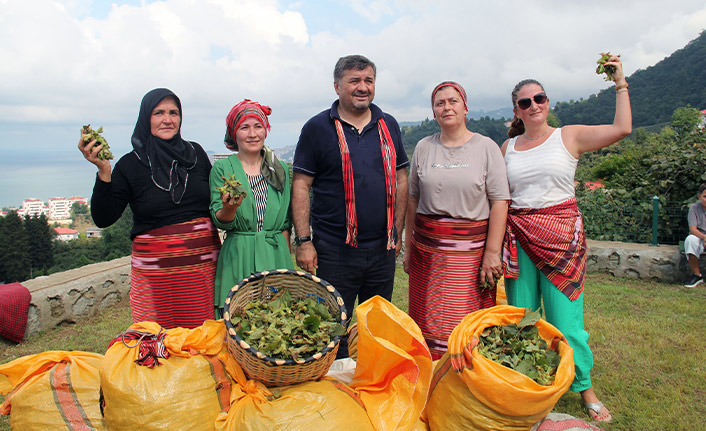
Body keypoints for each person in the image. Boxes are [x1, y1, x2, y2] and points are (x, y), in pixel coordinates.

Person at [501, 54, 632, 423]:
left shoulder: (568, 136)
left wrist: (620, 82)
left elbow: (622, 128)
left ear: (548, 103)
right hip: (519, 238)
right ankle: (527, 384)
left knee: (566, 322)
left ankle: (585, 388)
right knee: (522, 317)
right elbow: (496, 196)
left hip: (561, 239)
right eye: (525, 102)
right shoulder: (507, 148)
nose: (533, 105)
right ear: (517, 110)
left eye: (539, 98)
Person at [292, 54, 409, 358]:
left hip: (381, 251)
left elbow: (401, 179)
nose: (362, 87)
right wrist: (304, 242)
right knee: (332, 326)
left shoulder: (388, 124)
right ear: (337, 86)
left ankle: (372, 388)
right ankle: (336, 392)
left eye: (368, 80)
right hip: (334, 249)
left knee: (377, 325)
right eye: (354, 80)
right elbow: (301, 186)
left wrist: (396, 232)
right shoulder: (317, 128)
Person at [79, 88, 220, 329]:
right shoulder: (129, 165)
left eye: (173, 112)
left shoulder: (196, 154)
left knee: (201, 341)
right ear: (146, 117)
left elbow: (217, 205)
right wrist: (104, 171)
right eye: (159, 113)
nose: (168, 119)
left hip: (201, 273)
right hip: (155, 278)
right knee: (156, 343)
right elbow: (103, 218)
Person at [403, 81, 509, 359]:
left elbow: (500, 201)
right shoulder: (424, 148)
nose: (446, 107)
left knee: (465, 322)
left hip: (470, 254)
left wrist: (493, 253)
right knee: (425, 317)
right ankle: (429, 378)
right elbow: (412, 199)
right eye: (440, 103)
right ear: (434, 112)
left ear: (465, 108)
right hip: (427, 252)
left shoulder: (486, 147)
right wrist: (409, 246)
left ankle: (466, 382)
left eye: (453, 101)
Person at [210, 99, 293, 315]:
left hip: (274, 252)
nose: (252, 134)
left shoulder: (280, 168)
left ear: (266, 131)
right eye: (244, 128)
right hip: (239, 254)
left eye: (258, 126)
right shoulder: (223, 168)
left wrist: (285, 262)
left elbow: (285, 222)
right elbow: (220, 219)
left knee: (278, 319)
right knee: (239, 319)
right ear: (234, 134)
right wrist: (230, 208)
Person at [683, 183, 706, 288]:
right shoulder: (694, 208)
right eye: (705, 197)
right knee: (690, 240)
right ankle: (697, 276)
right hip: (700, 236)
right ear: (699, 196)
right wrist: (704, 237)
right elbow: (692, 229)